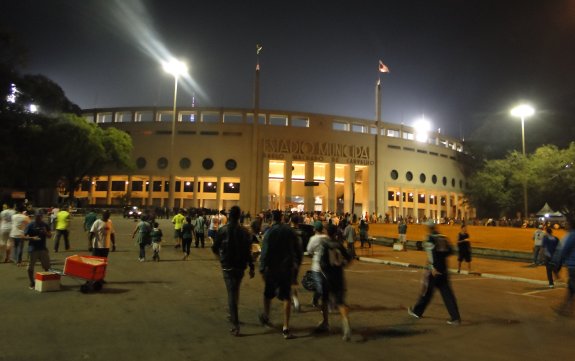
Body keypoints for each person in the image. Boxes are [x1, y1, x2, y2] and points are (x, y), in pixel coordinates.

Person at [258, 210, 303, 339]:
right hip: (286, 268)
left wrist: (262, 268)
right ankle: (286, 327)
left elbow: (264, 252)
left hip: (272, 269)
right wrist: (297, 264)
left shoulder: (269, 232)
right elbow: (298, 250)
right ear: (282, 218)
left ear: (272, 218)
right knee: (286, 297)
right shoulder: (290, 231)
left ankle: (266, 316)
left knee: (268, 294)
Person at [211, 206, 255, 336]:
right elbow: (249, 251)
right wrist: (251, 267)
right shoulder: (245, 232)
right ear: (240, 216)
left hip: (228, 265)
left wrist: (220, 258)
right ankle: (233, 313)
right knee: (235, 290)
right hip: (240, 266)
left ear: (230, 216)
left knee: (231, 292)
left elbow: (214, 248)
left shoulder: (223, 230)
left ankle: (235, 323)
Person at [408, 220, 461, 325]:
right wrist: (442, 257)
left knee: (426, 292)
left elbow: (430, 253)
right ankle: (455, 317)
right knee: (447, 294)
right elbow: (451, 251)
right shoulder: (443, 237)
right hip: (443, 269)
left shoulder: (430, 238)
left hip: (433, 271)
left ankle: (417, 312)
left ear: (429, 228)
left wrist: (433, 266)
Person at [315, 223, 353, 341]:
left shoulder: (324, 244)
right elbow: (349, 258)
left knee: (325, 300)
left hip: (327, 276)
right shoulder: (339, 244)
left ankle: (326, 322)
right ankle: (346, 323)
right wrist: (342, 265)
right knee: (340, 302)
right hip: (339, 275)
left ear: (326, 232)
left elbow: (321, 262)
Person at [552, 218, 575, 316]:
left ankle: (564, 309)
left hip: (573, 266)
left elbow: (564, 250)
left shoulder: (572, 235)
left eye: (567, 223)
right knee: (571, 288)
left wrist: (558, 266)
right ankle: (564, 308)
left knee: (572, 287)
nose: (566, 225)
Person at [24, 211, 51, 289]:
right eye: (37, 216)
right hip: (32, 249)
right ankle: (32, 282)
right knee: (30, 267)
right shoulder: (30, 225)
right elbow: (23, 237)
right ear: (34, 216)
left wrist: (45, 232)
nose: (38, 218)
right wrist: (32, 238)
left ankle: (46, 281)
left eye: (40, 216)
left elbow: (49, 236)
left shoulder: (45, 224)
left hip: (43, 249)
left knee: (47, 266)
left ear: (42, 216)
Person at [306, 220, 329, 308]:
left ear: (315, 229)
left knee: (320, 287)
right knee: (323, 286)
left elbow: (309, 251)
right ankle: (317, 301)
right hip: (326, 266)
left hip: (316, 266)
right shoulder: (326, 238)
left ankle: (317, 301)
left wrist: (313, 254)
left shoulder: (313, 239)